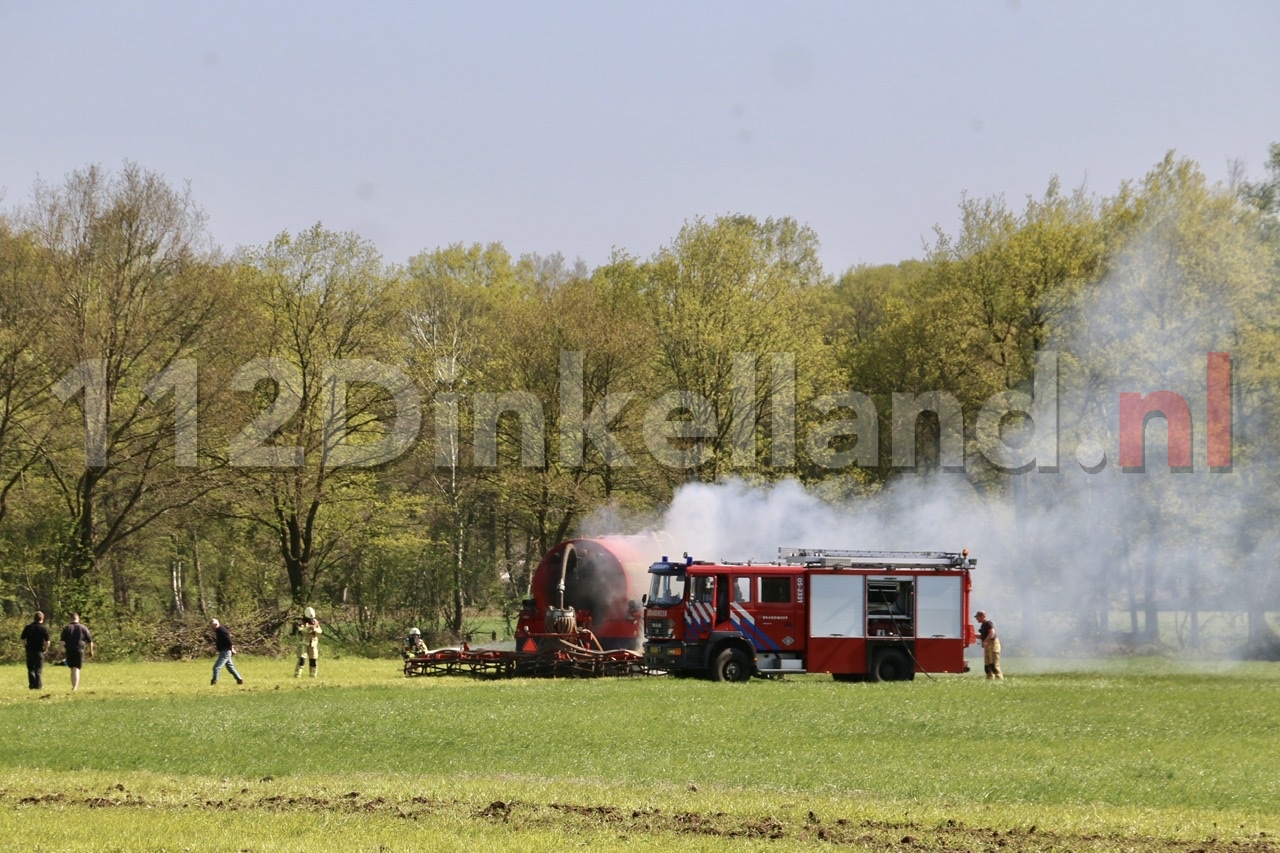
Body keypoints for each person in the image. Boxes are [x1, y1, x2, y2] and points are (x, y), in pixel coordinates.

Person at [60, 613, 94, 692]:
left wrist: (59, 651)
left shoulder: (67, 628)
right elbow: (90, 641)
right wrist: (91, 651)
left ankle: (74, 686)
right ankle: (75, 687)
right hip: (79, 650)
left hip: (69, 650)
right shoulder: (83, 628)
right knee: (76, 668)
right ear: (78, 619)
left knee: (72, 668)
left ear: (71, 619)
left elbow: (62, 641)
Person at [20, 611, 51, 690]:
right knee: (38, 669)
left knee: (30, 669)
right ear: (42, 618)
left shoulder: (28, 627)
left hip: (30, 651)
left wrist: (25, 646)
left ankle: (31, 685)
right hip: (39, 651)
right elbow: (47, 642)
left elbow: (22, 639)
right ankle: (38, 686)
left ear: (34, 618)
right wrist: (45, 649)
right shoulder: (44, 628)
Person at [210, 618, 244, 685]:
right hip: (224, 651)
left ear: (216, 624)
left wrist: (232, 649)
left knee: (216, 667)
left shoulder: (222, 631)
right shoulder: (218, 631)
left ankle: (214, 681)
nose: (211, 628)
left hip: (225, 651)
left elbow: (229, 641)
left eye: (212, 626)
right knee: (230, 667)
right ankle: (239, 679)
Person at [293, 606, 322, 678]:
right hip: (303, 644)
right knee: (302, 659)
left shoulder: (315, 622)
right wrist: (308, 628)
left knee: (313, 660)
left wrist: (315, 629)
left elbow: (320, 631)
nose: (311, 619)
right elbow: (301, 630)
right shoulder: (301, 622)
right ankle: (297, 674)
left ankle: (313, 675)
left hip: (313, 644)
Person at [974, 610, 1003, 680]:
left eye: (977, 617)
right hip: (987, 645)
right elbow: (983, 636)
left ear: (983, 616)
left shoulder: (988, 623)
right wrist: (972, 635)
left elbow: (992, 633)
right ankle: (990, 680)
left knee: (994, 665)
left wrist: (985, 641)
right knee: (987, 665)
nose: (976, 619)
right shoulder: (983, 625)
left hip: (993, 644)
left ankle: (999, 679)